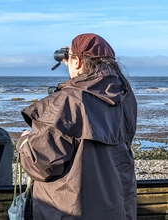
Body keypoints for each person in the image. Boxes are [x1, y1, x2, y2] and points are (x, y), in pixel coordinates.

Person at [16, 33, 137, 219]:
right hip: (116, 209)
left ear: (78, 62)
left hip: (70, 209)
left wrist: (25, 140)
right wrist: (73, 57)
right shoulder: (125, 99)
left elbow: (40, 165)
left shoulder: (66, 102)